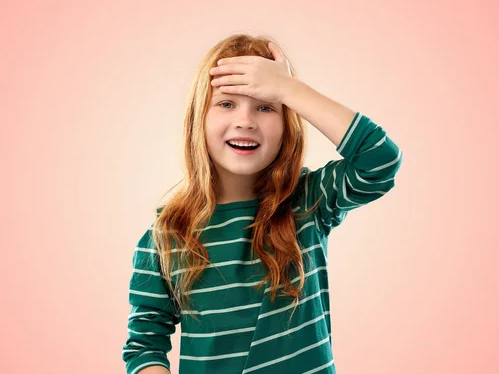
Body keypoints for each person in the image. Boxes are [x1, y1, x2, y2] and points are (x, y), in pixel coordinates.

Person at [121, 33, 403, 374]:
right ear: (199, 118)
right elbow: (144, 345)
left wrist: (288, 89)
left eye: (266, 106)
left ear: (287, 123)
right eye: (226, 104)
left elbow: (380, 161)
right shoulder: (165, 237)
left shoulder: (309, 201)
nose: (246, 120)